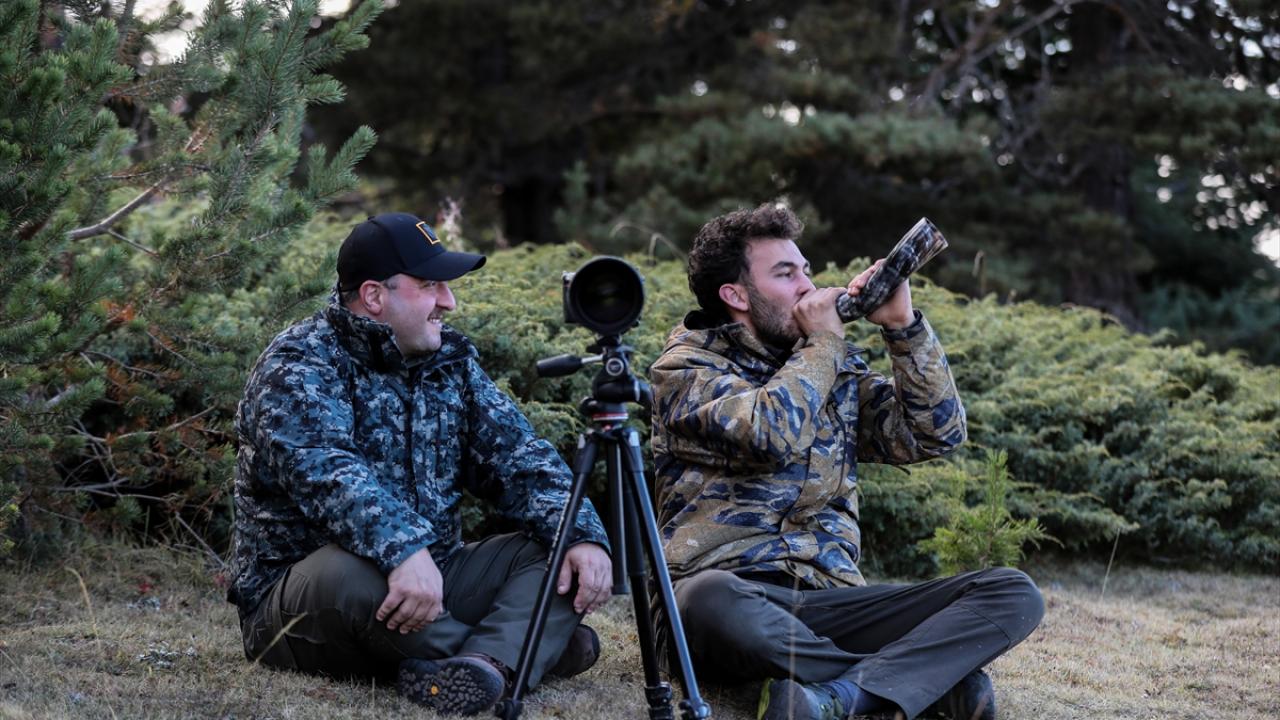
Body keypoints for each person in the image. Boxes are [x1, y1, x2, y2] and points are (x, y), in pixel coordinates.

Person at [648, 204, 1044, 720]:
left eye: (805, 270)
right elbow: (768, 434)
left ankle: (837, 697)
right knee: (709, 599)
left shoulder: (831, 368)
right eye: (786, 274)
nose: (808, 287)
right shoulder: (685, 369)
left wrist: (902, 326)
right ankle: (912, 687)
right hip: (725, 594)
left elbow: (935, 434)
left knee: (1011, 592)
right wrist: (824, 343)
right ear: (736, 295)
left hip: (829, 602)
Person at [228, 212, 613, 716]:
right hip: (304, 595)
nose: (449, 302)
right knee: (351, 572)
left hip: (433, 578)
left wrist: (580, 532)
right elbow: (326, 473)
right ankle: (527, 649)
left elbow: (520, 456)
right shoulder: (299, 362)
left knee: (553, 549)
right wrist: (403, 549)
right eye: (430, 285)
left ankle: (485, 666)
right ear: (374, 296)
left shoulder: (449, 362)